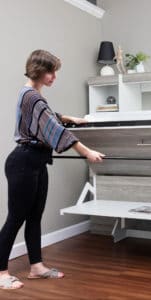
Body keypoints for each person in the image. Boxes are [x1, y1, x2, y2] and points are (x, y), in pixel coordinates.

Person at [0, 49, 106, 289]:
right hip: (23, 162)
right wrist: (87, 152)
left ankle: (36, 267)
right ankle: (1, 273)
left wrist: (73, 119)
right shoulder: (31, 97)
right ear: (39, 70)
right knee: (15, 219)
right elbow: (53, 128)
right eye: (51, 72)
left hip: (35, 162)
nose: (54, 77)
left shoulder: (31, 95)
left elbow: (50, 116)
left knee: (34, 217)